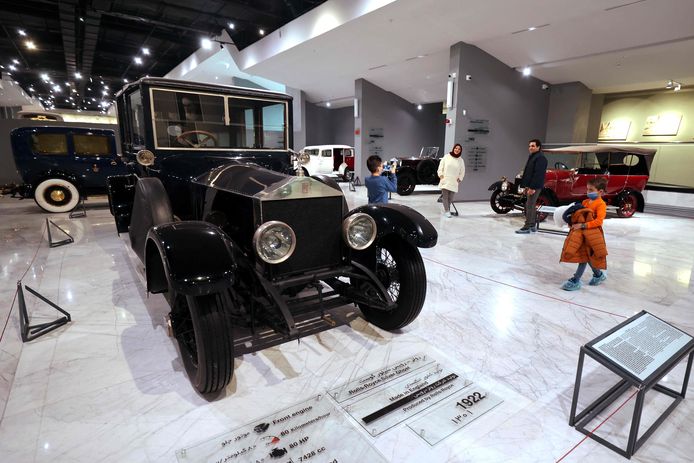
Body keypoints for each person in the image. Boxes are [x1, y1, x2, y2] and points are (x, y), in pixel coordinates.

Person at [559, 177, 608, 291]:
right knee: (586, 256)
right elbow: (578, 216)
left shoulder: (601, 204)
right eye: (587, 189)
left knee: (583, 258)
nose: (588, 192)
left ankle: (576, 280)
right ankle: (598, 275)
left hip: (592, 235)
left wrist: (583, 225)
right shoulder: (585, 202)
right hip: (581, 234)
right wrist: (572, 223)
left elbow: (599, 221)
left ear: (600, 192)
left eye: (591, 190)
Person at [516, 138, 548, 234]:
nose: (530, 147)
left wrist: (532, 188)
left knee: (530, 205)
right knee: (530, 205)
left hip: (534, 186)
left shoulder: (540, 158)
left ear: (538, 147)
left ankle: (528, 226)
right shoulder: (533, 156)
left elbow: (538, 174)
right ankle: (532, 226)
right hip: (530, 186)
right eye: (529, 146)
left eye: (533, 146)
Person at [437, 143, 466, 218]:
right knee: (445, 197)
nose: (457, 150)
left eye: (459, 149)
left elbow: (462, 171)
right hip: (445, 180)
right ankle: (447, 211)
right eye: (456, 148)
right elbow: (441, 167)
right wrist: (441, 175)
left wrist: (460, 179)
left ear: (460, 151)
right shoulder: (446, 157)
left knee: (451, 198)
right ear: (453, 148)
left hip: (454, 182)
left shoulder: (461, 160)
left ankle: (447, 209)